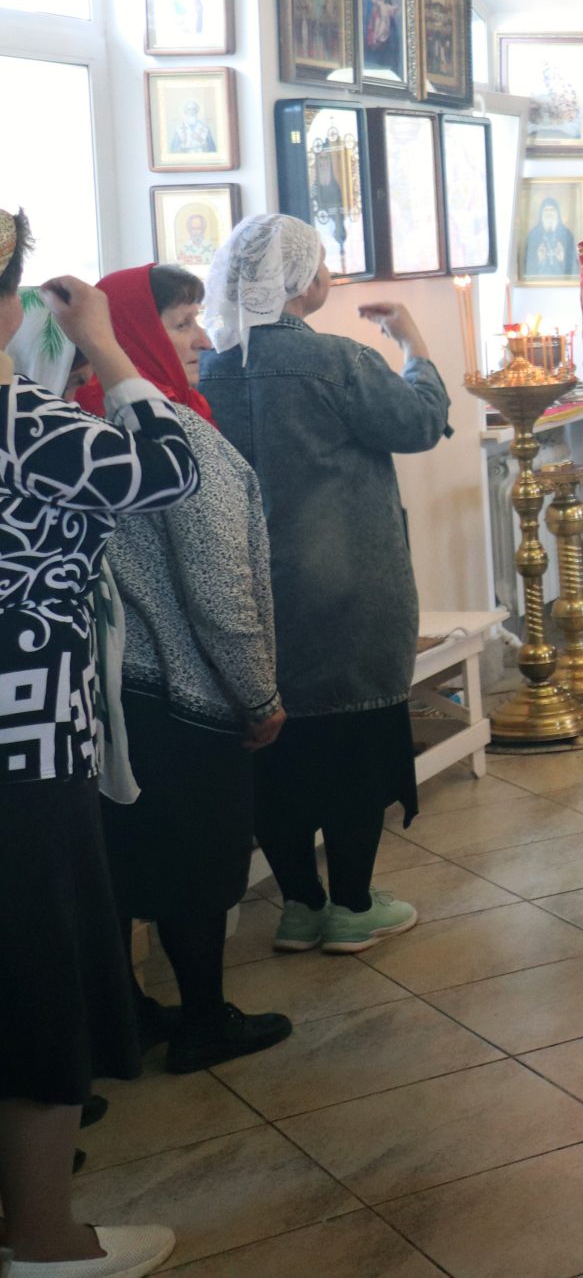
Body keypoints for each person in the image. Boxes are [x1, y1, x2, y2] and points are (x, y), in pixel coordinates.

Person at [0, 212, 197, 1278]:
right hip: (27, 750)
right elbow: (171, 467)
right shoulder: (24, 425)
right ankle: (43, 1238)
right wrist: (111, 349)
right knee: (39, 984)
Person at [199, 214, 452, 956]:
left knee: (276, 756)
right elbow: (420, 421)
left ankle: (299, 907)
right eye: (321, 264)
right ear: (301, 281)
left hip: (249, 597)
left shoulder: (210, 371)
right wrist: (412, 343)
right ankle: (351, 906)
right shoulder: (336, 362)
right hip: (347, 592)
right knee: (353, 747)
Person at [79, 266, 290, 1076]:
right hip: (183, 691)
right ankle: (204, 1019)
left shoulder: (79, 421)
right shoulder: (175, 435)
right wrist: (259, 694)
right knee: (197, 866)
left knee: (126, 861)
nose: (203, 338)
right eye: (180, 322)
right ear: (131, 333)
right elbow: (217, 588)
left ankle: (131, 1016)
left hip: (108, 691)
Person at [522, 197, 575, 279]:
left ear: (557, 213)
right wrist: (539, 259)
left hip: (562, 282)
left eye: (552, 210)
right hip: (538, 283)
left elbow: (574, 268)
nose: (549, 214)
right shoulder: (533, 236)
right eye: (546, 210)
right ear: (541, 214)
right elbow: (527, 268)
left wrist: (562, 258)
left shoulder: (567, 235)